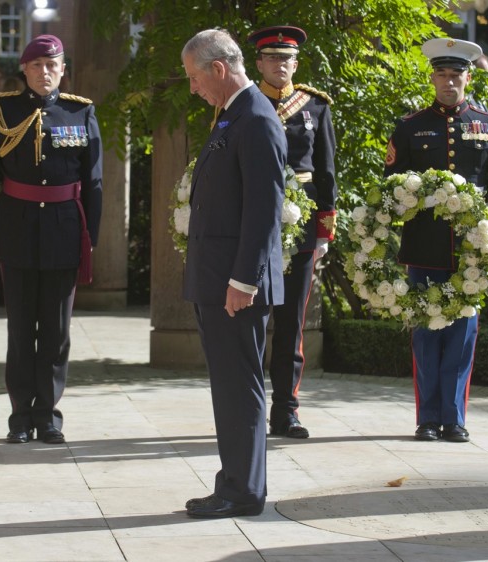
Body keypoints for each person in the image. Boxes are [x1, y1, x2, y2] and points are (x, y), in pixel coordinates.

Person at [0, 34, 103, 445]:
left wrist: (90, 237)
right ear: (24, 70)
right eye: (36, 66)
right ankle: (19, 417)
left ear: (64, 69)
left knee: (56, 329)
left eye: (52, 65)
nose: (45, 72)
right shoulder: (2, 109)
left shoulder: (80, 112)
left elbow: (94, 182)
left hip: (65, 229)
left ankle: (48, 416)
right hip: (16, 228)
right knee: (20, 327)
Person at [384, 38, 488, 443]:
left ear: (468, 77)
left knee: (462, 334)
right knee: (426, 331)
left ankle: (454, 419)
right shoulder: (409, 126)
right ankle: (427, 419)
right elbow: (391, 187)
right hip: (424, 243)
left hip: (472, 247)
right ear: (432, 78)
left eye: (455, 75)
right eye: (441, 74)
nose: (448, 82)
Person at [181, 29, 286, 518]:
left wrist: (243, 281)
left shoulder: (256, 118)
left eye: (194, 78)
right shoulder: (233, 116)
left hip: (235, 285)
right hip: (218, 278)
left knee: (238, 386)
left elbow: (264, 209)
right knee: (227, 385)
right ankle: (236, 483)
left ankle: (242, 490)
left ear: (218, 69)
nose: (193, 88)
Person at [247, 26, 337, 439]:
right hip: (253, 226)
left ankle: (286, 411)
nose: (280, 66)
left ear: (296, 64)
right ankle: (249, 408)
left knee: (290, 326)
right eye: (272, 59)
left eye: (287, 59)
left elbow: (326, 172)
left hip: (300, 228)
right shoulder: (244, 103)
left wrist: (323, 232)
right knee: (251, 321)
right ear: (259, 63)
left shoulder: (316, 107)